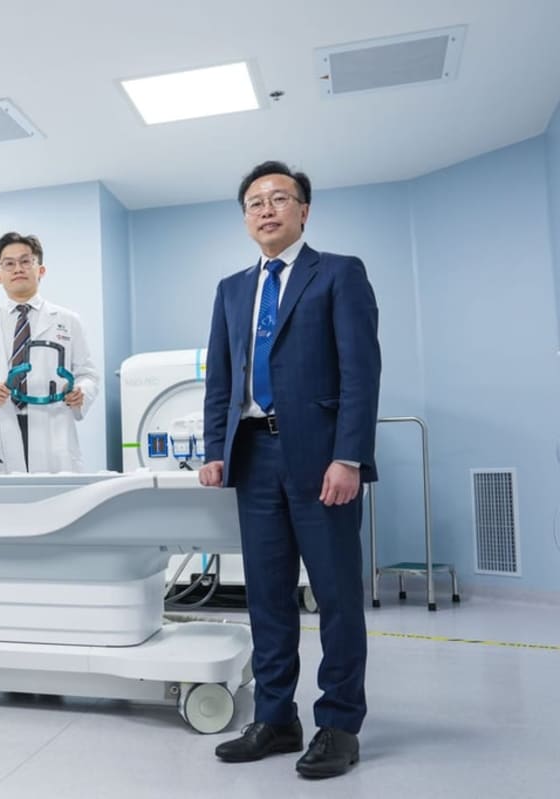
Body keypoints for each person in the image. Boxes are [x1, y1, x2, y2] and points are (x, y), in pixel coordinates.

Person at [199, 161, 380, 778]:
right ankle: (276, 718)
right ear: (246, 218)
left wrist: (348, 456)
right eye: (255, 202)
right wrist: (216, 449)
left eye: (280, 198)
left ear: (304, 210)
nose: (266, 209)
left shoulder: (338, 274)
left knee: (336, 597)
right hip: (254, 457)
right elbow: (221, 378)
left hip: (321, 458)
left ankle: (339, 725)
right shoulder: (231, 289)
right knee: (267, 597)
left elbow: (361, 372)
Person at [0, 232, 100, 473]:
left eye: (26, 261)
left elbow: (88, 374)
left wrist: (81, 392)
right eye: (9, 263)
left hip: (54, 428)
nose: (18, 269)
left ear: (41, 270)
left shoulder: (68, 321)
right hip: (2, 427)